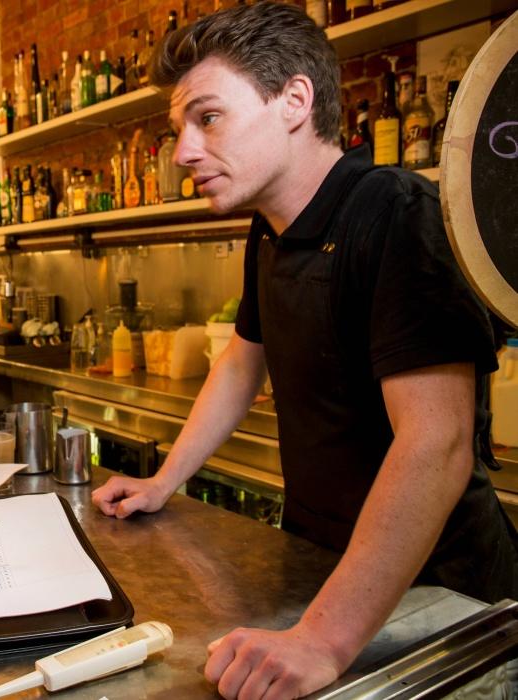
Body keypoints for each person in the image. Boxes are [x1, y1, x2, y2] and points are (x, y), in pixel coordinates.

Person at [91, 3, 518, 698]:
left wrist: (323, 640)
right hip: (324, 566)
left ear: (293, 100)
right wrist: (162, 481)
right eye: (177, 130)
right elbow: (240, 361)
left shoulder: (394, 211)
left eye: (206, 118)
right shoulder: (272, 228)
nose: (182, 154)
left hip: (439, 597)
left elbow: (435, 444)